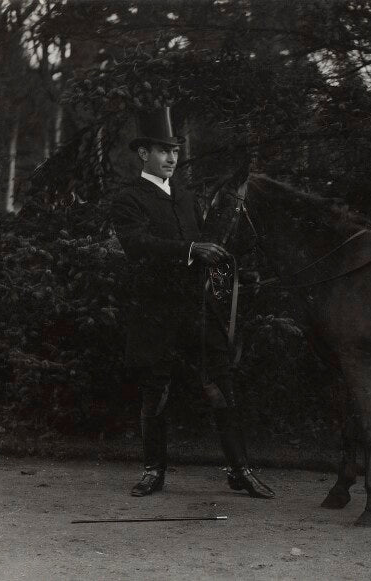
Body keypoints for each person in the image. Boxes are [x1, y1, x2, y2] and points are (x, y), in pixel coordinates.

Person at [112, 107, 274, 499]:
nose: (171, 157)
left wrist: (224, 261)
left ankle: (240, 470)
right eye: (162, 150)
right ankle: (153, 471)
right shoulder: (128, 198)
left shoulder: (185, 197)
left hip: (197, 310)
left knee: (220, 385)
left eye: (175, 150)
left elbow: (206, 244)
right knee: (157, 391)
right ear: (142, 154)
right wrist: (190, 249)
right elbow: (137, 245)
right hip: (154, 310)